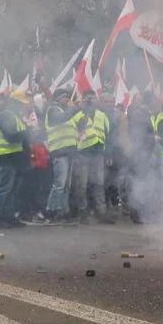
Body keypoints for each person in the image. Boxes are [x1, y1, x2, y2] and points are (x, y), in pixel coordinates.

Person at [42, 89, 83, 223]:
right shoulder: (53, 110)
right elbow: (60, 119)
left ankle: (63, 212)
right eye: (64, 97)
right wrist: (73, 109)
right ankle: (51, 212)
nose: (67, 99)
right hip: (59, 153)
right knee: (59, 185)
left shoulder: (66, 113)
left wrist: (82, 110)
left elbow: (80, 123)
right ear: (58, 99)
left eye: (67, 97)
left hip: (69, 153)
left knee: (66, 186)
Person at [73, 90, 112, 224]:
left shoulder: (102, 115)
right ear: (83, 99)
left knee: (98, 184)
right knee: (82, 185)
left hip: (98, 154)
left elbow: (108, 135)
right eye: (88, 98)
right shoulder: (78, 114)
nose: (91, 101)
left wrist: (108, 154)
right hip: (82, 153)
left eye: (93, 98)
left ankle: (101, 213)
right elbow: (74, 132)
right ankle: (83, 213)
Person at [0, 92, 29, 228]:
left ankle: (9, 216)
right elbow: (11, 136)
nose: (23, 107)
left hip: (14, 157)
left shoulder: (14, 116)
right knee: (5, 188)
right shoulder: (5, 115)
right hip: (6, 157)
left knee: (12, 189)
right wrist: (28, 132)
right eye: (21, 104)